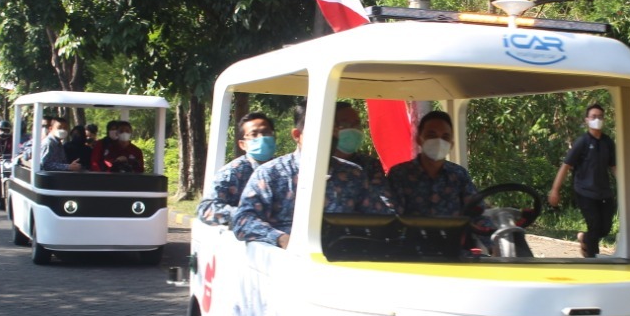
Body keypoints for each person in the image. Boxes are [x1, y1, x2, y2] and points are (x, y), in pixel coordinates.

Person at [231, 102, 393, 247]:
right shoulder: (271, 174)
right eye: (319, 130)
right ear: (297, 135)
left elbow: (381, 218)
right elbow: (243, 220)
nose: (328, 135)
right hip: (287, 263)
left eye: (334, 128)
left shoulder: (353, 174)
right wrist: (282, 239)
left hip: (345, 260)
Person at [548, 103, 616, 257]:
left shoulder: (608, 142)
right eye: (593, 116)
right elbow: (565, 166)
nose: (597, 119)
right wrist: (555, 190)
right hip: (584, 192)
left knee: (605, 228)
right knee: (595, 226)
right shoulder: (582, 142)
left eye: (600, 117)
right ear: (587, 120)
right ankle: (592, 260)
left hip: (604, 192)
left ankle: (584, 238)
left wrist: (627, 188)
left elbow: (614, 166)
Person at [387, 110, 478, 216]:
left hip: (453, 233)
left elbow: (476, 211)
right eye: (432, 135)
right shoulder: (399, 174)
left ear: (451, 145)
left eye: (445, 137)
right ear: (419, 139)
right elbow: (392, 216)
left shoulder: (459, 175)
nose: (439, 141)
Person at [197, 111, 277, 227]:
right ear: (242, 144)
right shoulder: (231, 173)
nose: (262, 138)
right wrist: (244, 215)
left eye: (266, 133)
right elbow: (206, 209)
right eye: (254, 134)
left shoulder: (284, 170)